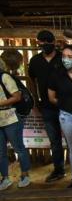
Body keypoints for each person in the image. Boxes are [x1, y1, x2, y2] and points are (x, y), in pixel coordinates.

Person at [28, 30, 65, 182]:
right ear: (39, 43)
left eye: (48, 41)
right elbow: (31, 81)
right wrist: (35, 100)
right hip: (47, 107)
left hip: (66, 104)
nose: (45, 44)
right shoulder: (35, 61)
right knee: (54, 140)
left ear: (54, 41)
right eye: (42, 42)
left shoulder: (63, 58)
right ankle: (58, 170)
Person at [47, 45, 72, 188]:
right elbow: (51, 97)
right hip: (67, 116)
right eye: (64, 56)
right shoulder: (56, 75)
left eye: (70, 57)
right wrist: (65, 105)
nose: (66, 60)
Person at [0, 58, 31, 190]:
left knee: (19, 148)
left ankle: (25, 175)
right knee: (0, 151)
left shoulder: (4, 77)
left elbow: (17, 97)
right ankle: (5, 178)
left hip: (11, 117)